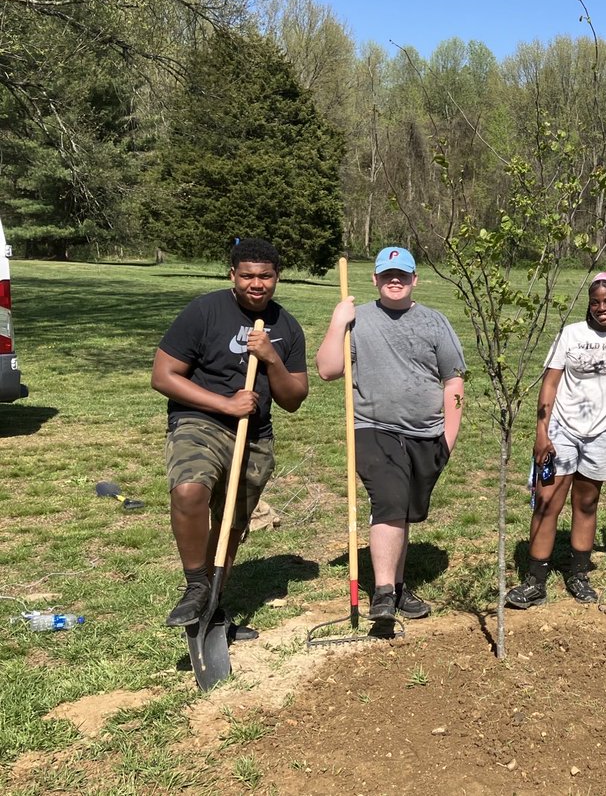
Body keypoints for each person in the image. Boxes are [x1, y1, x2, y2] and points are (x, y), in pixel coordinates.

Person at [152, 237, 309, 639]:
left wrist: (272, 358)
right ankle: (196, 586)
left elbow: (293, 399)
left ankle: (213, 607)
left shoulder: (287, 327)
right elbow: (163, 377)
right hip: (199, 422)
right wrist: (226, 404)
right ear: (233, 276)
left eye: (266, 276)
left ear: (277, 278)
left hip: (255, 437)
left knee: (230, 525)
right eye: (247, 276)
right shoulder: (204, 311)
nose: (256, 284)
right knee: (189, 490)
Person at [316, 246, 466, 622]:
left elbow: (454, 382)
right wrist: (338, 323)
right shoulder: (357, 319)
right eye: (387, 275)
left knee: (405, 510)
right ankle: (383, 593)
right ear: (375, 280)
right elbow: (328, 370)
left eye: (401, 275)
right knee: (389, 499)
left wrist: (448, 436)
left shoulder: (435, 322)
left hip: (427, 434)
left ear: (415, 279)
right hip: (373, 426)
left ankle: (398, 589)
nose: (394, 280)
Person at [505, 272, 606, 608]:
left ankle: (578, 575)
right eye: (595, 302)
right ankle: (535, 580)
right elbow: (550, 383)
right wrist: (542, 433)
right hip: (561, 433)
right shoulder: (570, 334)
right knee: (546, 502)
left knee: (586, 504)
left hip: (602, 435)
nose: (601, 307)